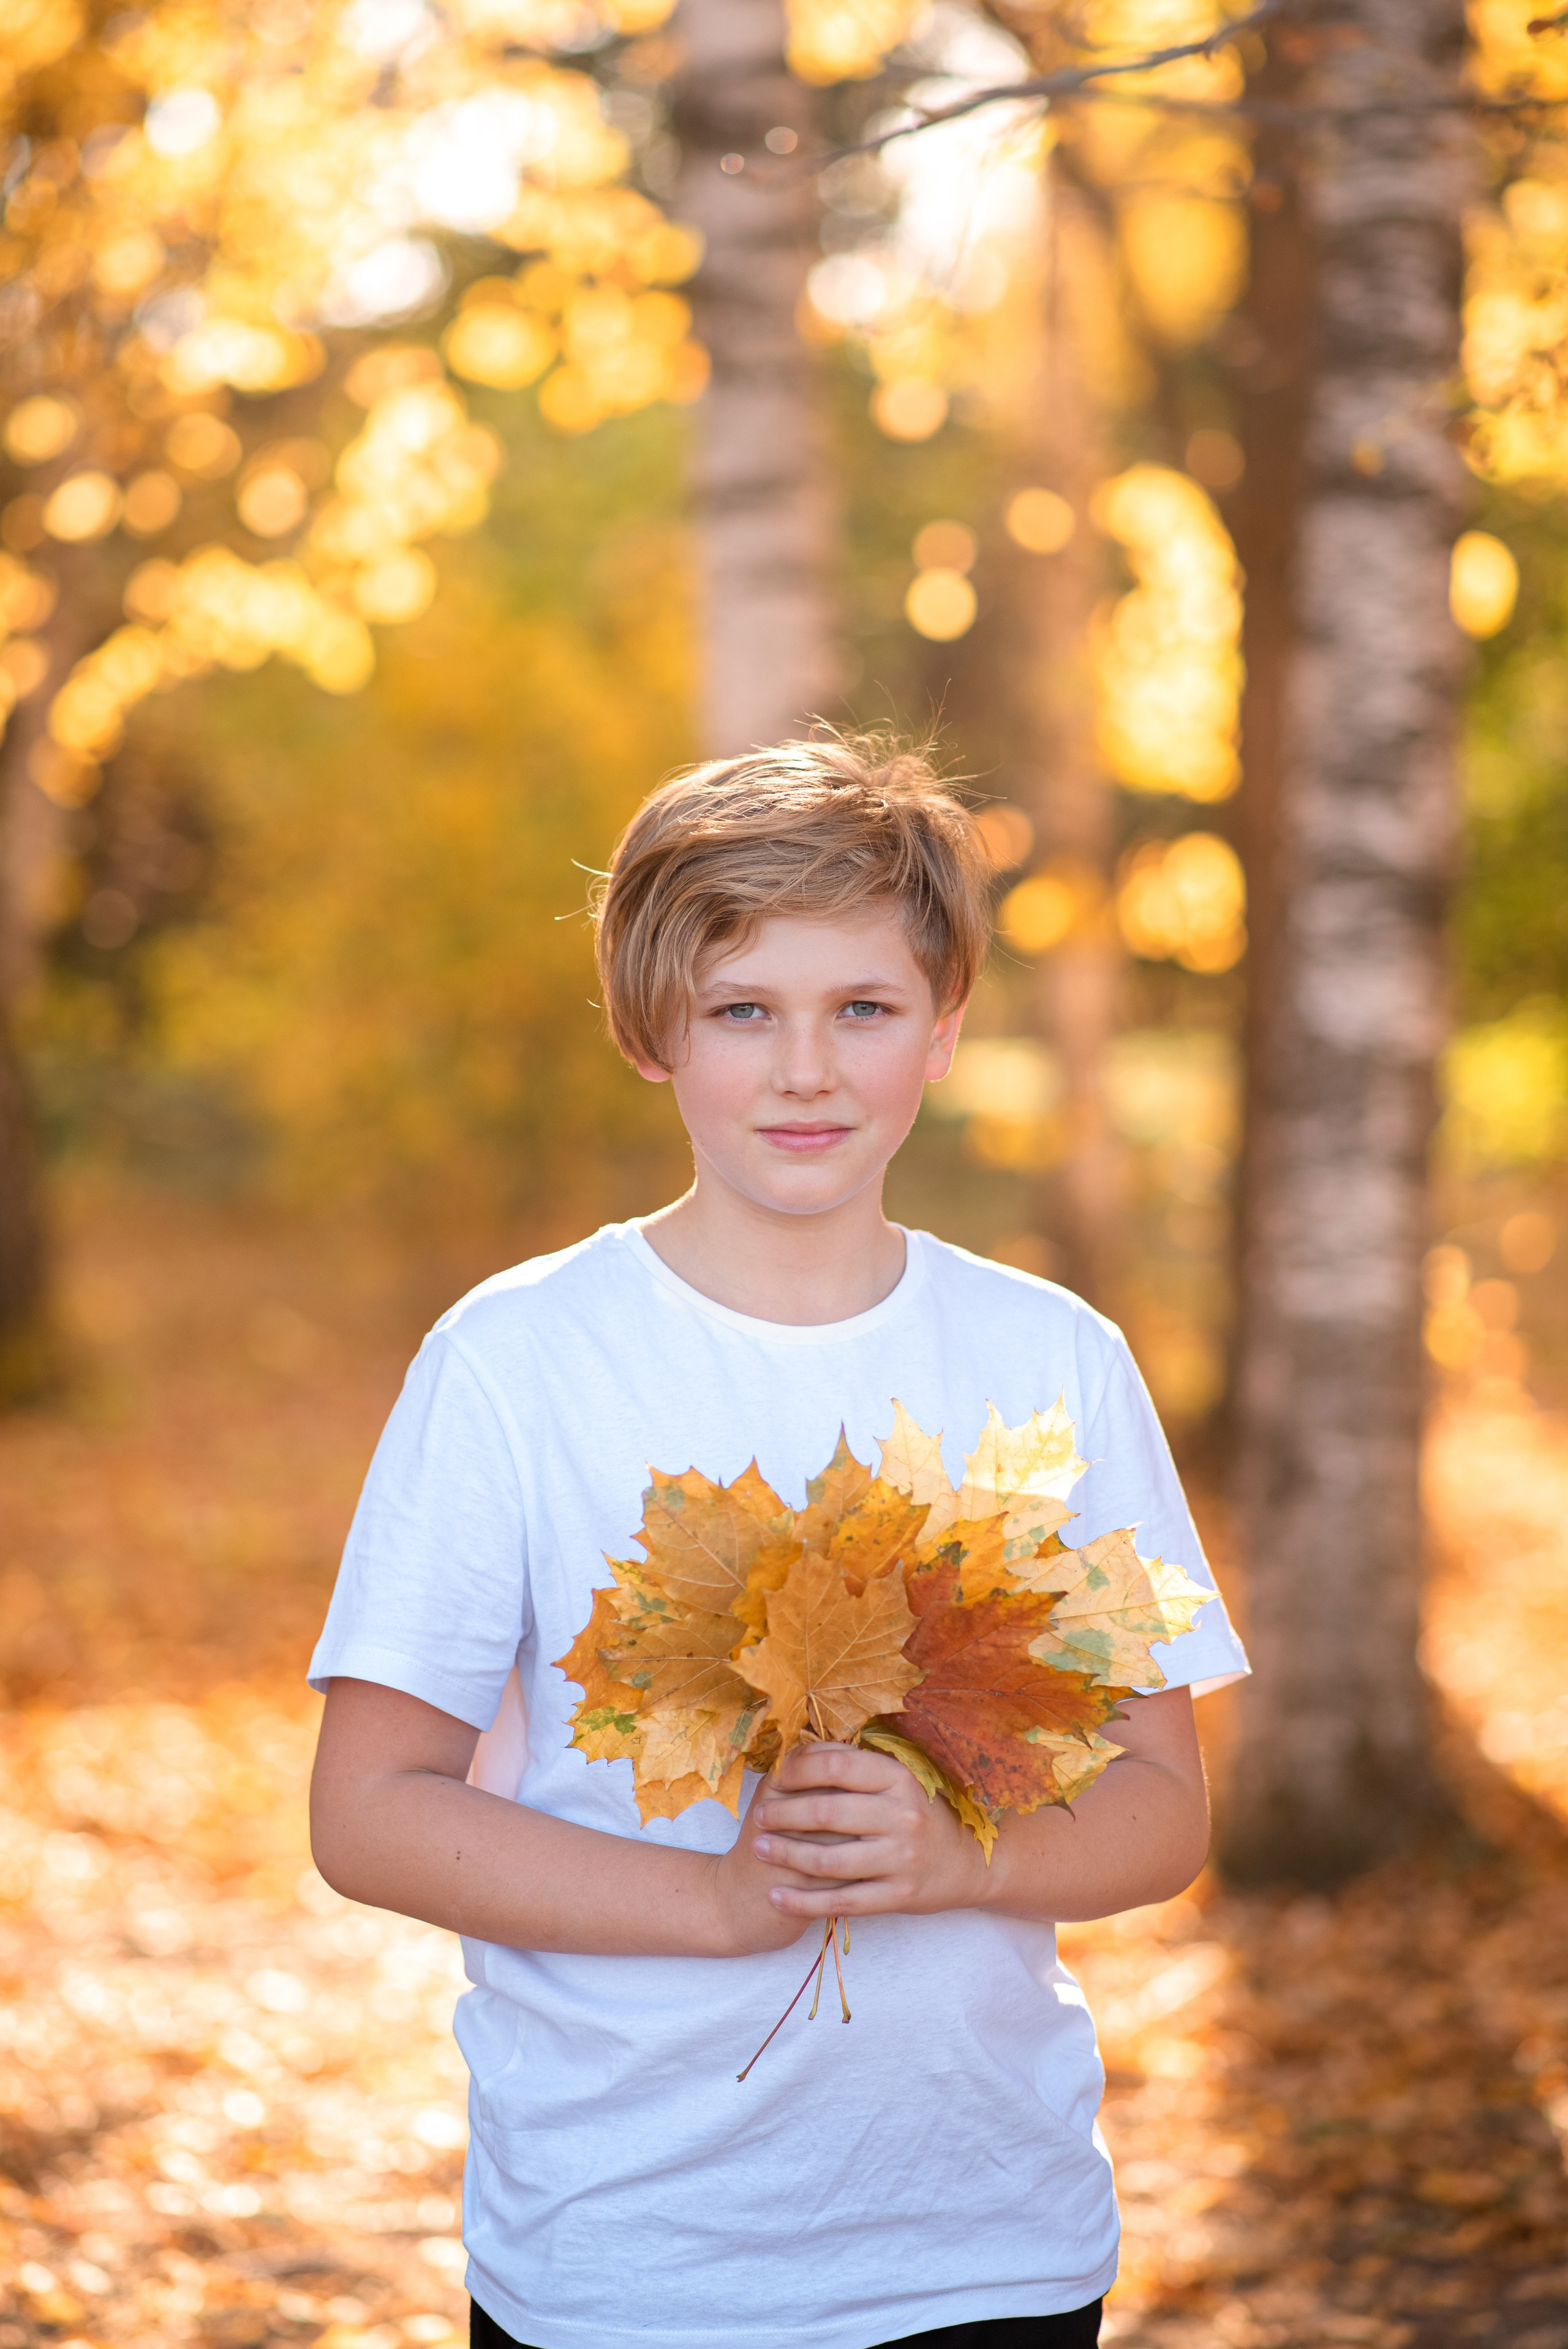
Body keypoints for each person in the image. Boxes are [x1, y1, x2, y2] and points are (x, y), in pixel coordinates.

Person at [307, 734, 1249, 2349]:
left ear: (943, 1030)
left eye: (863, 1010)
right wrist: (726, 1900)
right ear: (654, 1028)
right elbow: (369, 1812)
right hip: (629, 2258)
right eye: (746, 1009)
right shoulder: (519, 1360)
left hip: (992, 2248)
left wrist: (966, 1860)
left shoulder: (1055, 1362)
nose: (806, 1069)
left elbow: (1163, 1806)